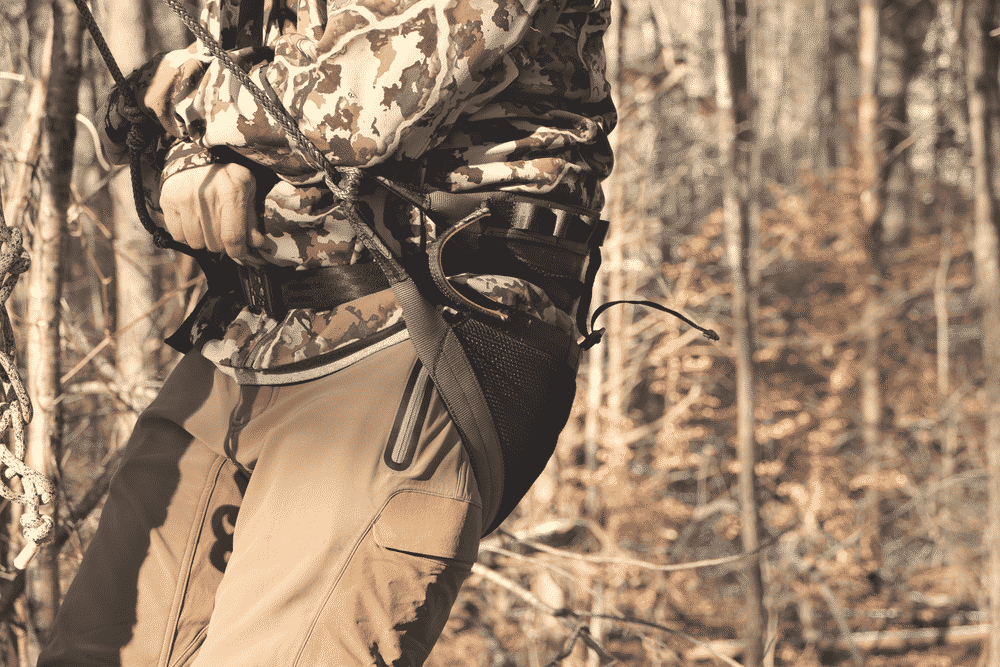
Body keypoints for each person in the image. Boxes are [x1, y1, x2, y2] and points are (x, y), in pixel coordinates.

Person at [40, 1, 616, 665]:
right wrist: (189, 153)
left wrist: (179, 93)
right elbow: (148, 145)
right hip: (249, 333)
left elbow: (371, 100)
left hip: (429, 324)